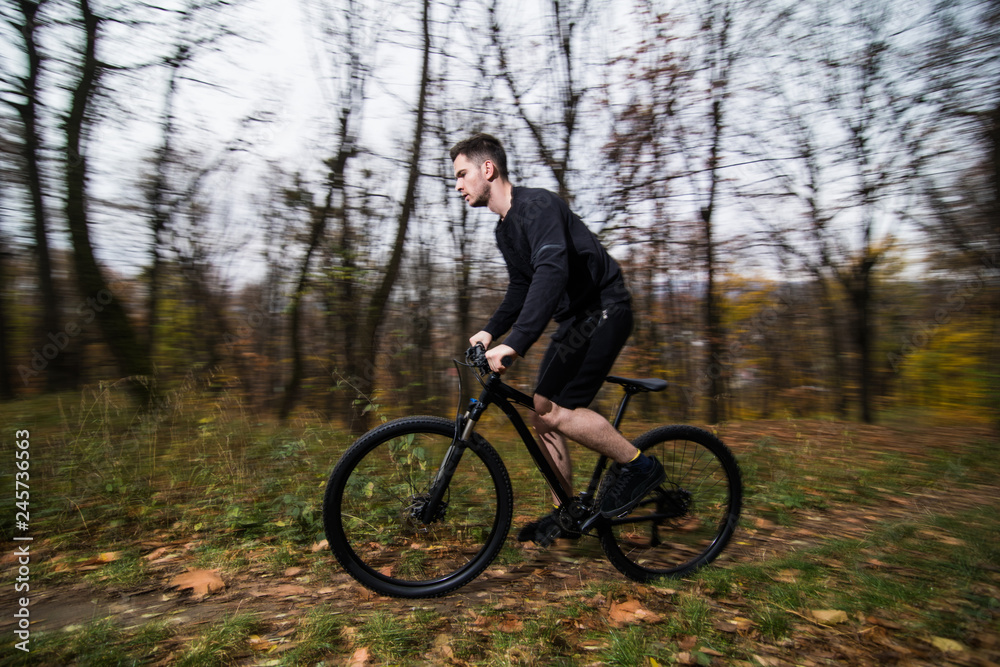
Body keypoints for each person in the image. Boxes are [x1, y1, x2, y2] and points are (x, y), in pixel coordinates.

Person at [450, 133, 665, 544]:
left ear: (488, 169)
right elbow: (522, 287)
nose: (458, 185)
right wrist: (490, 330)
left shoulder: (539, 206)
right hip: (575, 319)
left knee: (556, 411)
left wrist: (518, 341)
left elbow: (552, 271)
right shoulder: (504, 229)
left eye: (462, 174)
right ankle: (565, 513)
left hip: (605, 309)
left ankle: (639, 466)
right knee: (542, 411)